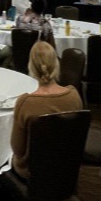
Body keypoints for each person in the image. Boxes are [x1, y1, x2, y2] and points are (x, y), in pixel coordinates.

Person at [10, 41, 82, 178]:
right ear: (56, 63)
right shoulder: (74, 95)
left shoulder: (25, 102)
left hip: (31, 172)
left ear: (31, 66)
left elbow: (18, 150)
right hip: (66, 168)